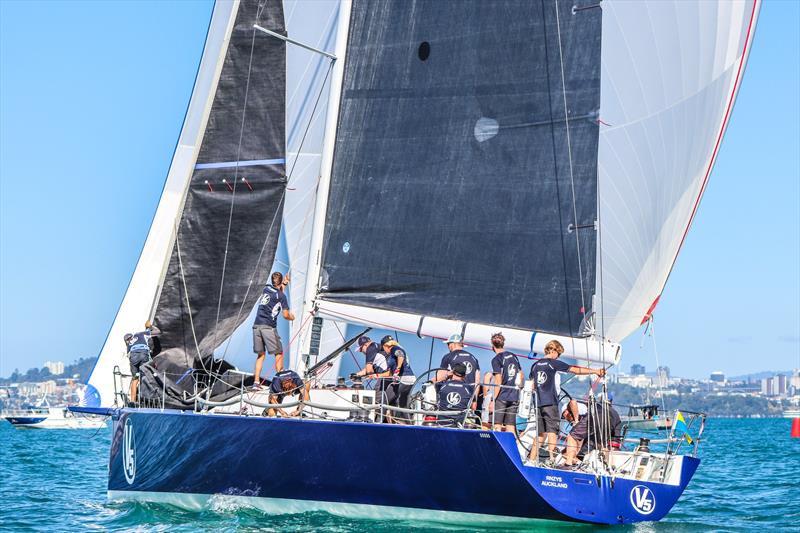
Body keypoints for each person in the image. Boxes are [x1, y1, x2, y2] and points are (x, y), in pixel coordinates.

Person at [528, 340, 605, 463]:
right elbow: (575, 370)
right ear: (553, 351)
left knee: (540, 434)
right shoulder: (553, 363)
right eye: (558, 354)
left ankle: (531, 460)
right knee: (552, 431)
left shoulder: (535, 366)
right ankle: (551, 459)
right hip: (550, 403)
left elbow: (532, 386)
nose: (558, 357)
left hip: (538, 404)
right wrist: (595, 371)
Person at [253, 272, 294, 386]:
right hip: (268, 327)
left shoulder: (266, 288)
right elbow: (285, 315)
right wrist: (292, 317)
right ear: (280, 281)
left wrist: (284, 284)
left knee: (261, 355)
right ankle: (282, 383)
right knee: (278, 353)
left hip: (256, 326)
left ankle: (256, 383)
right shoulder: (282, 296)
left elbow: (276, 292)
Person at [489, 332, 522, 433]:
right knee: (510, 425)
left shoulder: (496, 359)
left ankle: (496, 446)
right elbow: (521, 375)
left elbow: (498, 381)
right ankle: (512, 445)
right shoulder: (513, 356)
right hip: (514, 396)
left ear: (493, 346)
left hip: (502, 396)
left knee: (497, 424)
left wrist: (492, 400)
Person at [435, 334, 480, 404]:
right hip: (469, 395)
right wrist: (475, 401)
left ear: (452, 344)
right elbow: (477, 381)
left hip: (452, 395)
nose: (448, 346)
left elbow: (439, 378)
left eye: (448, 344)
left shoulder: (448, 357)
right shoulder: (473, 358)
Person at [124, 320, 161, 403]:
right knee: (145, 375)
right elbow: (158, 332)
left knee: (135, 379)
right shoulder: (140, 334)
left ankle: (133, 401)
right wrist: (150, 326)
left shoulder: (129, 344)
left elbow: (129, 357)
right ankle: (146, 398)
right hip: (143, 354)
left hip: (133, 357)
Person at [381, 335, 416, 423]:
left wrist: (397, 369)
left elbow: (400, 355)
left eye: (383, 348)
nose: (384, 351)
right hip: (410, 379)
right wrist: (376, 375)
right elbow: (389, 373)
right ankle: (410, 425)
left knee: (384, 401)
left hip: (404, 379)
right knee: (402, 405)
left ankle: (378, 422)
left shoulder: (394, 349)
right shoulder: (395, 351)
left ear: (385, 346)